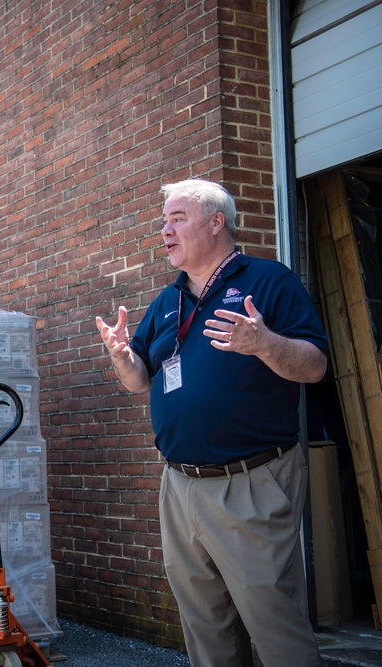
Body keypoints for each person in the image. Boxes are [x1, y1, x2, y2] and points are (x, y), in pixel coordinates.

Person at [95, 178, 328, 666]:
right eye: (164, 221)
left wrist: (265, 344)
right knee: (205, 628)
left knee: (274, 624)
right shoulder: (168, 301)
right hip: (179, 486)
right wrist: (120, 355)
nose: (165, 230)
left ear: (217, 222)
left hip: (251, 480)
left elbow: (315, 365)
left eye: (178, 218)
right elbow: (139, 379)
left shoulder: (268, 281)